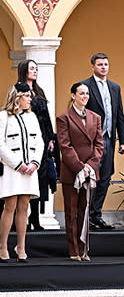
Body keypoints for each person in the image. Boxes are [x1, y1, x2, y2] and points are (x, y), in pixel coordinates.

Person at [56, 83, 104, 261]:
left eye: (87, 94)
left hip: (90, 172)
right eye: (81, 93)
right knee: (71, 211)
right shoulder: (64, 118)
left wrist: (90, 166)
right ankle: (73, 250)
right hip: (72, 171)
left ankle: (84, 250)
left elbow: (99, 145)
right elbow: (64, 145)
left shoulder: (95, 117)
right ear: (73, 95)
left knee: (85, 212)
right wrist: (79, 167)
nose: (85, 96)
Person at [82, 53, 124, 230]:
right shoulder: (85, 86)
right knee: (91, 176)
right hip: (92, 141)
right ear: (92, 66)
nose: (103, 67)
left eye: (106, 64)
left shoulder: (115, 88)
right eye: (100, 64)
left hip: (109, 139)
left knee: (105, 177)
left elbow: (119, 115)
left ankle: (96, 214)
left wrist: (123, 140)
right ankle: (85, 215)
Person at [0, 83, 43, 262]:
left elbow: (39, 142)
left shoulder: (31, 116)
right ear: (17, 97)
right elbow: (0, 145)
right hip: (11, 169)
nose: (30, 99)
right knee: (10, 206)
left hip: (30, 170)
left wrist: (34, 163)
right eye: (27, 96)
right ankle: (2, 246)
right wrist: (18, 164)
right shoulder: (3, 116)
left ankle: (21, 246)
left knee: (24, 206)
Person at [18, 59, 58, 231]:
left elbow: (47, 117)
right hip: (26, 141)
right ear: (24, 70)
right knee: (25, 181)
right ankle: (21, 220)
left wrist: (50, 139)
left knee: (40, 180)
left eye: (36, 68)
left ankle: (35, 219)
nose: (35, 71)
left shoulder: (39, 91)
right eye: (31, 68)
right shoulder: (18, 89)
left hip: (41, 141)